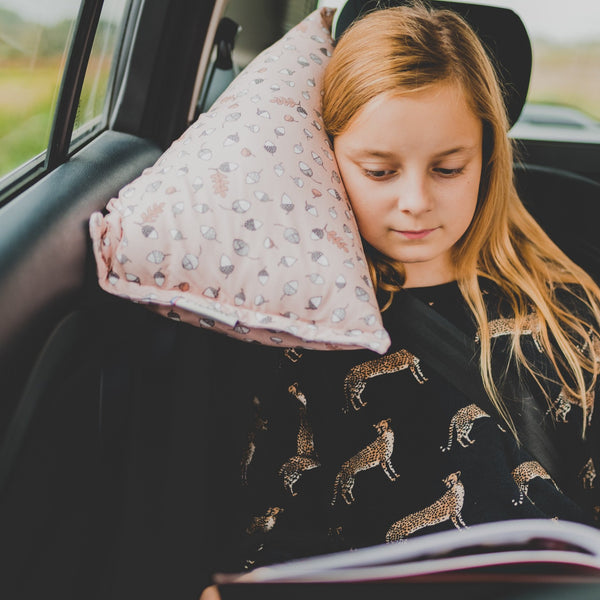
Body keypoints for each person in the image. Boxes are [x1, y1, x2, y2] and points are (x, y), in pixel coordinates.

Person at [200, 2, 600, 597]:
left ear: (486, 159)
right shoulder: (302, 325)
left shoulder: (563, 308)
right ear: (326, 159)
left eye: (447, 169)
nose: (415, 200)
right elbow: (282, 505)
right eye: (380, 171)